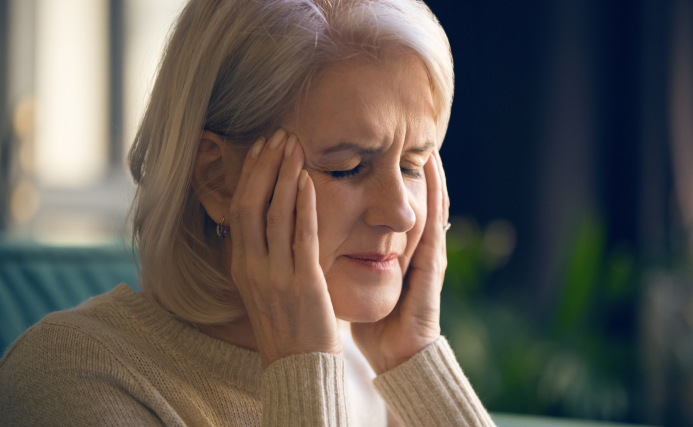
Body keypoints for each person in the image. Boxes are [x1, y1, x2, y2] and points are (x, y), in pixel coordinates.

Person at [0, 0, 496, 425]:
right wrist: (302, 376)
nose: (402, 214)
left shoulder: (378, 374)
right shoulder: (71, 374)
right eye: (347, 167)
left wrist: (413, 362)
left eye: (412, 165)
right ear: (216, 177)